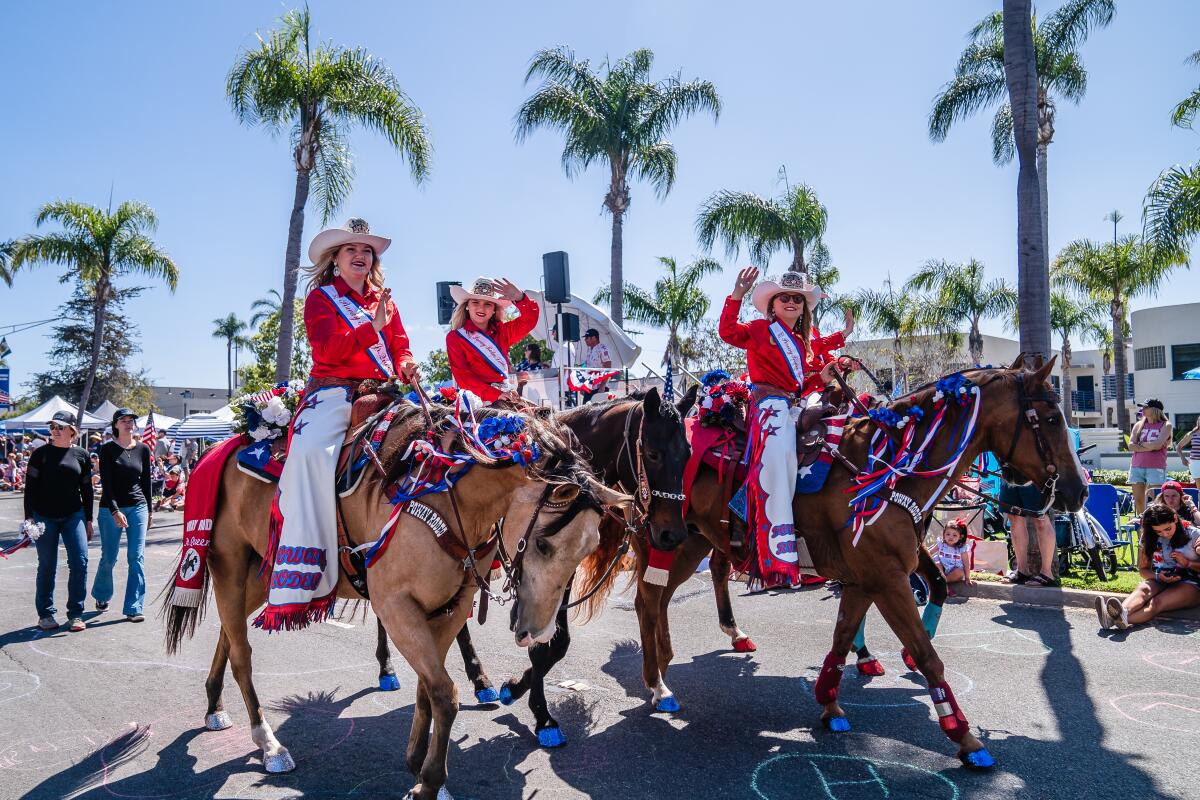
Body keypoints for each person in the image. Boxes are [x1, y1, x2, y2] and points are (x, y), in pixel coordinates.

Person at [258, 218, 418, 631]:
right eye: (352, 250)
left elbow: (399, 347)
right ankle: (307, 557)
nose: (361, 255)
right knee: (311, 452)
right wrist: (372, 328)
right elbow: (327, 348)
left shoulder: (386, 300)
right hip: (333, 393)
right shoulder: (321, 299)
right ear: (336, 259)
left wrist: (406, 363)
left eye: (367, 250)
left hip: (382, 391)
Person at [719, 267, 852, 589]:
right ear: (772, 305)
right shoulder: (761, 329)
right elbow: (727, 332)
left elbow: (801, 384)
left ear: (804, 307)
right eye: (785, 297)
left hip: (792, 404)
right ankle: (775, 554)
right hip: (768, 405)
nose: (791, 302)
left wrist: (822, 378)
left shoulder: (799, 341)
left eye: (797, 298)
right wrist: (737, 294)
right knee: (779, 459)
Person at [23, 410, 94, 632]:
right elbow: (30, 489)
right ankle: (45, 614)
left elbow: (87, 490)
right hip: (44, 517)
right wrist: (29, 518)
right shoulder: (40, 454)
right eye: (53, 426)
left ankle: (76, 614)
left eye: (60, 426)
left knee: (80, 562)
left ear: (72, 431)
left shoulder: (82, 455)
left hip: (74, 515)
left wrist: (89, 519)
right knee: (47, 565)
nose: (55, 430)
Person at [1095, 502, 1200, 630]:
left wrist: (1188, 563)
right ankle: (1120, 614)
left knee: (1156, 603)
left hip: (1192, 583)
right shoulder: (1149, 536)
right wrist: (1158, 576)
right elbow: (1143, 570)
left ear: (1175, 519)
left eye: (1168, 529)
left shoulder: (1194, 535)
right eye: (1159, 531)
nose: (1165, 534)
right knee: (1143, 589)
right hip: (1161, 578)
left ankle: (1114, 620)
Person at [92, 408, 153, 621]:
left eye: (131, 420)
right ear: (116, 425)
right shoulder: (107, 449)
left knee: (136, 558)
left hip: (138, 507)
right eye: (123, 420)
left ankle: (134, 607)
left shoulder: (144, 449)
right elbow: (107, 484)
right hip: (110, 508)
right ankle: (102, 594)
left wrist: (151, 511)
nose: (128, 424)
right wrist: (115, 510)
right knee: (109, 557)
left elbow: (146, 482)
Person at [445, 276, 538, 404]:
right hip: (476, 402)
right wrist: (495, 394)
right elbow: (463, 378)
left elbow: (530, 320)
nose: (481, 308)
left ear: (494, 310)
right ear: (467, 306)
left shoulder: (503, 332)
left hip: (506, 396)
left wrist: (520, 298)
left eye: (488, 304)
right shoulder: (455, 337)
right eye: (475, 302)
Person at [999, 467, 1057, 587]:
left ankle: (1047, 573)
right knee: (1014, 517)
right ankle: (1022, 571)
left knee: (1040, 518)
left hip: (1034, 471)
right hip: (1010, 471)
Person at [1129, 399, 1172, 515]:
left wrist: (1141, 444)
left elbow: (1158, 445)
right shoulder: (1138, 425)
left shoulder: (1166, 425)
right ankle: (1141, 528)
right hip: (1136, 466)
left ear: (1155, 410)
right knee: (1138, 501)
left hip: (1156, 466)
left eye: (1145, 407)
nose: (1142, 410)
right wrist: (1151, 446)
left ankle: (1156, 526)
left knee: (1156, 502)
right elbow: (1131, 446)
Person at [932, 518, 973, 586]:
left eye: (954, 535)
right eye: (948, 534)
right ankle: (942, 582)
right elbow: (930, 552)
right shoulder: (941, 544)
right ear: (944, 534)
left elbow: (966, 563)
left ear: (960, 537)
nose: (951, 537)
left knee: (960, 572)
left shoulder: (961, 548)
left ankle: (943, 582)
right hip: (942, 569)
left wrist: (967, 577)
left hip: (954, 571)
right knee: (937, 564)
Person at [580, 328, 613, 402]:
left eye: (587, 338)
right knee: (586, 411)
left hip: (600, 387)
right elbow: (588, 370)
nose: (585, 340)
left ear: (594, 338)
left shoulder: (603, 348)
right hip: (590, 386)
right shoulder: (589, 351)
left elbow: (608, 366)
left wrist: (603, 385)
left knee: (599, 412)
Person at [1177, 418, 1200, 485]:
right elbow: (1178, 447)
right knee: (1199, 486)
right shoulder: (1192, 434)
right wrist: (1183, 459)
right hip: (1195, 463)